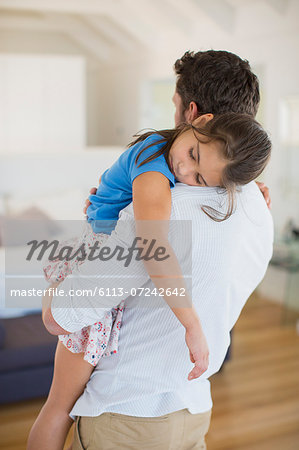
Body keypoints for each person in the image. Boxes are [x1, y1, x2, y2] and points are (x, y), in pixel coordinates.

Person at [32, 50, 273, 450]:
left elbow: (59, 318)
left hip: (126, 418)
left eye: (199, 171)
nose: (186, 174)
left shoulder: (168, 203)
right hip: (194, 412)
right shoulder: (254, 206)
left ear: (194, 112)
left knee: (57, 406)